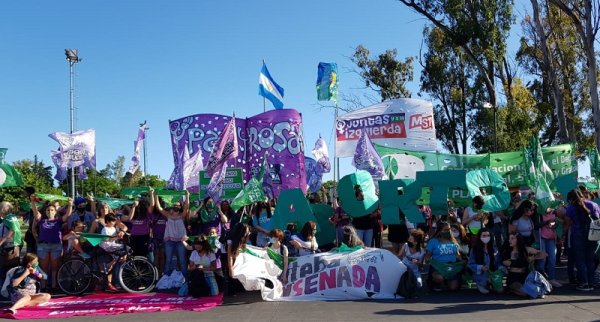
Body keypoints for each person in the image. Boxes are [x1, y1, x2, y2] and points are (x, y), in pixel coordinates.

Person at [30, 195, 72, 291]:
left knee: (54, 268)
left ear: (55, 211)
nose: (50, 212)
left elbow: (67, 215)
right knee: (43, 268)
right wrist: (33, 201)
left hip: (56, 246)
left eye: (52, 210)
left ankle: (54, 286)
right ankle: (44, 287)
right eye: (48, 210)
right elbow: (35, 212)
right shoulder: (41, 220)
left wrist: (70, 204)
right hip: (43, 246)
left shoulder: (58, 221)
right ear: (45, 212)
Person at [565, 189, 600, 291]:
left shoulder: (570, 208)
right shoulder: (593, 205)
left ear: (571, 199)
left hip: (578, 236)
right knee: (590, 260)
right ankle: (591, 283)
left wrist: (563, 233)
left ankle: (583, 283)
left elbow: (567, 223)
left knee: (580, 261)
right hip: (593, 235)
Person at [155, 192, 189, 276]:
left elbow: (186, 207)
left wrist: (187, 196)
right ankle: (166, 278)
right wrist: (156, 195)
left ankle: (185, 279)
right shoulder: (168, 215)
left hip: (181, 241)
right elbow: (159, 208)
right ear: (172, 206)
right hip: (169, 241)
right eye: (175, 205)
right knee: (168, 260)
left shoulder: (182, 215)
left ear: (180, 206)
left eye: (178, 205)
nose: (176, 207)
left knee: (182, 260)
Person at [424, 222, 463, 291]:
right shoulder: (433, 241)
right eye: (445, 230)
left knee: (453, 288)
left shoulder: (453, 241)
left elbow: (458, 255)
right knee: (439, 278)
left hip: (451, 267)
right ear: (440, 231)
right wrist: (427, 259)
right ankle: (434, 282)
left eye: (449, 229)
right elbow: (427, 256)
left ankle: (447, 281)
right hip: (438, 267)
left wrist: (461, 263)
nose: (448, 231)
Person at [501, 232, 542, 297]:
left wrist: (532, 258)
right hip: (513, 277)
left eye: (512, 238)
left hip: (524, 276)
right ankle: (510, 289)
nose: (510, 240)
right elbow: (504, 262)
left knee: (535, 291)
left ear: (518, 239)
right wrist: (514, 262)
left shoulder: (525, 249)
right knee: (525, 293)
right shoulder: (508, 251)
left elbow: (542, 254)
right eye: (509, 239)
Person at [99, 214, 127, 292]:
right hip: (106, 246)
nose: (114, 222)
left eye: (115, 221)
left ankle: (111, 264)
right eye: (112, 221)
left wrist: (121, 234)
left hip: (112, 245)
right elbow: (106, 239)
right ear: (107, 221)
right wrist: (116, 237)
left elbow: (118, 235)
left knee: (124, 250)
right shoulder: (105, 229)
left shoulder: (114, 228)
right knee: (124, 248)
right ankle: (109, 265)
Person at [468, 228, 498, 294]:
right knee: (485, 291)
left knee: (500, 290)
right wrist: (480, 267)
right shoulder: (474, 250)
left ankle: (490, 282)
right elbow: (470, 264)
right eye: (484, 236)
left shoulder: (494, 249)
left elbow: (498, 262)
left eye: (488, 235)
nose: (486, 237)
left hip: (491, 273)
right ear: (479, 237)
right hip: (480, 274)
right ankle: (480, 284)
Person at [538, 206, 562, 288]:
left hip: (551, 238)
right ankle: (540, 279)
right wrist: (547, 222)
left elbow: (558, 225)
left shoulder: (555, 212)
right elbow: (537, 225)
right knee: (542, 259)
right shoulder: (539, 213)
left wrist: (559, 237)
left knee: (552, 258)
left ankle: (552, 279)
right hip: (542, 237)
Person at [0, 201, 23, 282]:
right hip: (11, 245)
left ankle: (6, 289)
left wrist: (1, 242)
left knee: (8, 268)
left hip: (10, 246)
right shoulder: (9, 218)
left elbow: (12, 231)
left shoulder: (9, 218)